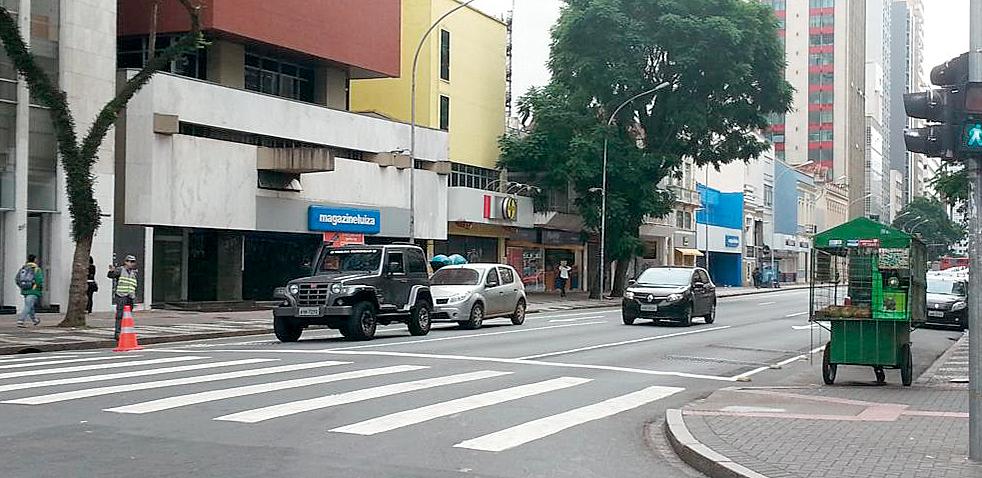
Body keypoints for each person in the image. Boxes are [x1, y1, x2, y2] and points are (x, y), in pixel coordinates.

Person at [108, 255, 139, 340]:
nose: (132, 264)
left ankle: (126, 332)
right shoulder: (120, 270)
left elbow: (133, 284)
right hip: (121, 295)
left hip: (130, 296)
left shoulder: (134, 272)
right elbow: (111, 276)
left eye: (133, 262)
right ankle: (118, 333)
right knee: (120, 315)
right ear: (126, 262)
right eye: (130, 261)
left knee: (128, 316)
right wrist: (111, 271)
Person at [15, 255, 43, 327]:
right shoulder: (36, 269)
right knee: (28, 306)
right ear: (35, 260)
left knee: (30, 306)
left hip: (25, 290)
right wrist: (38, 288)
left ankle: (35, 320)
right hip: (33, 290)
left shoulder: (23, 268)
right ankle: (21, 320)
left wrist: (22, 286)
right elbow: (39, 280)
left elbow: (17, 279)